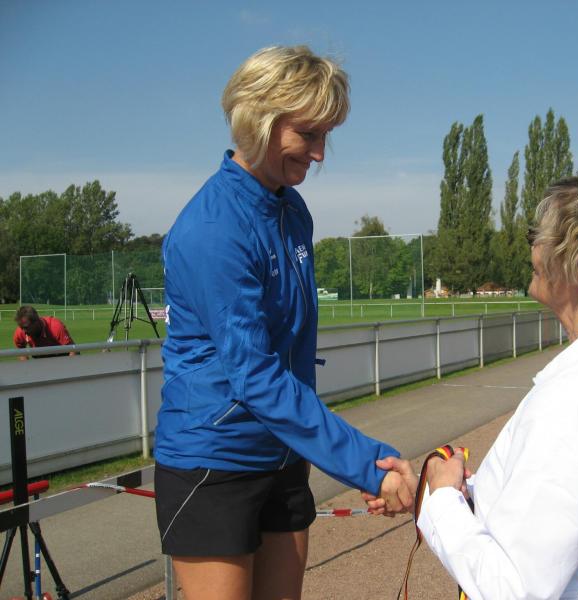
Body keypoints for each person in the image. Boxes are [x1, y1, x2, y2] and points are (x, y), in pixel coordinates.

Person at [154, 46, 413, 600]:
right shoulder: (213, 230)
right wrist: (369, 465)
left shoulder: (293, 210)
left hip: (283, 454)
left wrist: (329, 454)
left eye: (326, 136)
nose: (319, 153)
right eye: (309, 134)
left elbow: (292, 356)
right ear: (260, 120)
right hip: (213, 461)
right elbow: (256, 376)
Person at [369, 162, 578, 599]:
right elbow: (558, 507)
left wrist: (442, 498)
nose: (533, 247)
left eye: (539, 236)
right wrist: (439, 490)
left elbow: (509, 589)